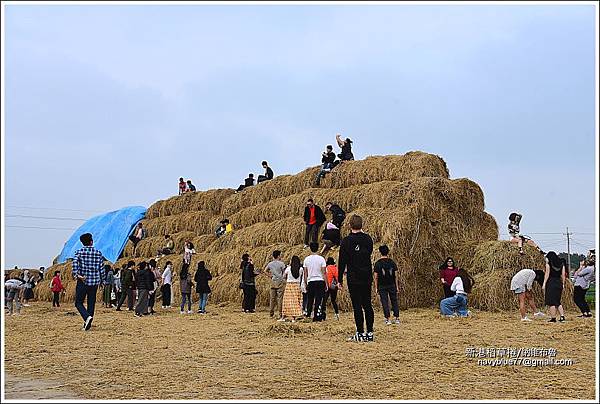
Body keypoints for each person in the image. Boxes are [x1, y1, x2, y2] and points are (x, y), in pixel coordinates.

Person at [338, 214, 375, 342]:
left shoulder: (346, 241)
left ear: (350, 225)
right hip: (366, 275)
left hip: (353, 277)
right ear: (362, 225)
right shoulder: (368, 239)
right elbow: (369, 252)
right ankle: (370, 333)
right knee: (367, 304)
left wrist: (339, 279)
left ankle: (360, 333)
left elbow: (342, 261)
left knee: (357, 306)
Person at [72, 233, 105, 331]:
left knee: (78, 302)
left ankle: (86, 318)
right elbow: (101, 268)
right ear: (91, 241)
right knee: (91, 303)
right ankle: (88, 323)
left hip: (83, 281)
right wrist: (102, 280)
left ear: (82, 243)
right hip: (94, 282)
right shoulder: (98, 253)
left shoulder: (79, 252)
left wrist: (77, 275)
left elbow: (74, 264)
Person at [374, 245, 400, 325]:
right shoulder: (392, 262)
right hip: (392, 284)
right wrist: (397, 286)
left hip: (382, 286)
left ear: (380, 252)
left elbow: (376, 277)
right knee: (394, 300)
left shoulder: (378, 263)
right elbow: (395, 275)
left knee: (384, 301)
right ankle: (396, 318)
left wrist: (376, 287)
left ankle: (388, 319)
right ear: (388, 252)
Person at [303, 242, 327, 322]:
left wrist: (305, 283)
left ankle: (308, 314)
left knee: (310, 299)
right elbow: (324, 272)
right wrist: (326, 283)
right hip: (320, 281)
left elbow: (305, 273)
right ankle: (316, 315)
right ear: (318, 248)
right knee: (318, 299)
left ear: (310, 249)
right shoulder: (321, 259)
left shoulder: (306, 259)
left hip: (311, 281)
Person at [543, 251, 567, 323]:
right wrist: (563, 284)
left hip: (551, 283)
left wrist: (544, 283)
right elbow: (563, 275)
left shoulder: (548, 264)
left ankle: (553, 318)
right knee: (557, 301)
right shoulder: (561, 264)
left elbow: (547, 274)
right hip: (558, 283)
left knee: (551, 301)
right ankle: (562, 316)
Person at [265, 250, 286, 320]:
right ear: (278, 256)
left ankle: (271, 313)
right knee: (280, 298)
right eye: (280, 255)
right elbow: (284, 272)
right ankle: (280, 313)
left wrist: (270, 276)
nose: (281, 256)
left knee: (272, 298)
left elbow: (265, 271)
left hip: (273, 281)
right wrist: (282, 278)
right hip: (280, 281)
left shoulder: (270, 264)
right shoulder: (282, 264)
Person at [281, 255, 304, 322]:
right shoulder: (301, 269)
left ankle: (284, 316)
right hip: (297, 286)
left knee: (287, 301)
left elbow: (283, 276)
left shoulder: (288, 269)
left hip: (289, 286)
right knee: (296, 301)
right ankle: (295, 316)